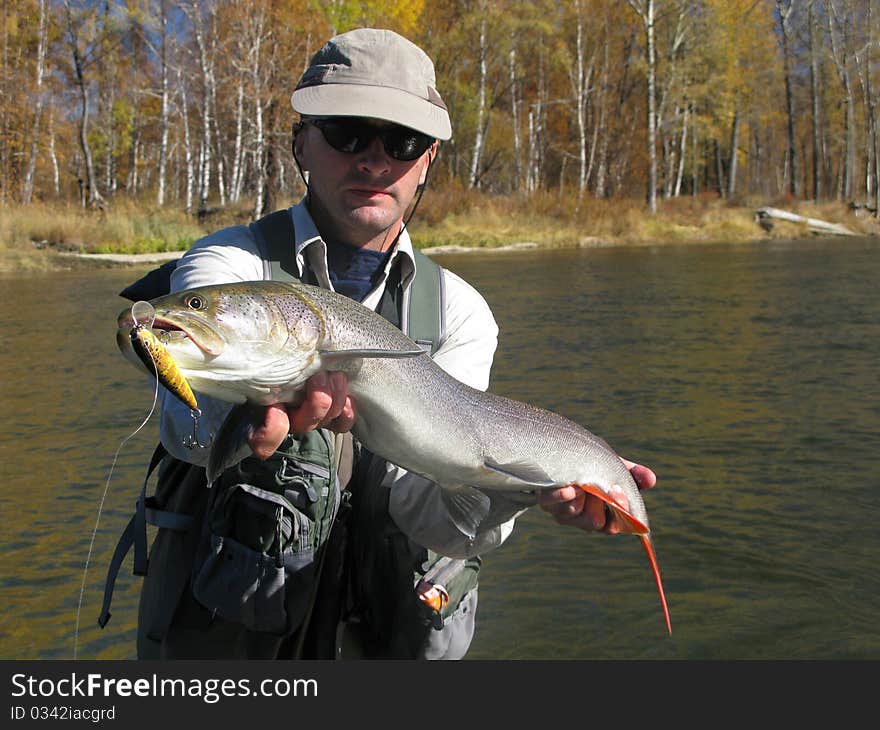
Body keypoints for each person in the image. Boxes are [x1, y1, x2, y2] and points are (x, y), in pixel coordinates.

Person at [132, 28, 656, 661]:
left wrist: (528, 490)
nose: (375, 160)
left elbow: (427, 514)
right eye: (348, 132)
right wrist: (249, 426)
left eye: (402, 141)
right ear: (301, 144)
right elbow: (184, 427)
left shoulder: (461, 312)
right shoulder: (226, 265)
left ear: (427, 160)